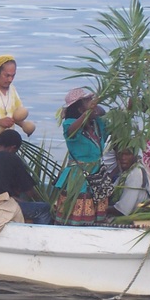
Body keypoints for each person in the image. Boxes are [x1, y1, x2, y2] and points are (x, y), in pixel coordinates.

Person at [53, 87, 109, 225]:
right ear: (79, 110)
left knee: (96, 217)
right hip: (78, 177)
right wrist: (88, 111)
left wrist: (92, 108)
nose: (92, 105)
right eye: (87, 102)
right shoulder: (69, 125)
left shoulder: (96, 124)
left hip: (97, 176)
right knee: (78, 215)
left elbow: (103, 112)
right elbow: (72, 130)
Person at [107, 147, 150, 217]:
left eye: (127, 154)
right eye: (120, 154)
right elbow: (110, 192)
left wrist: (102, 210)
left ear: (135, 155)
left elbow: (123, 210)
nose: (123, 158)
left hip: (133, 217)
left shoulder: (135, 173)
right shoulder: (125, 173)